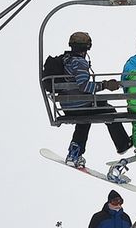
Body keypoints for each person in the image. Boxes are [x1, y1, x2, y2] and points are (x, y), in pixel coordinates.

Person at [55, 32, 131, 168]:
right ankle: (123, 143)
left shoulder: (65, 61)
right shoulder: (79, 63)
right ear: (86, 47)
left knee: (85, 120)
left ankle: (75, 151)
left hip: (67, 107)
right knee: (109, 111)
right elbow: (84, 86)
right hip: (79, 106)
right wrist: (105, 85)